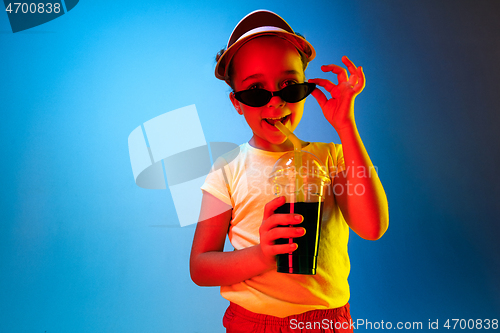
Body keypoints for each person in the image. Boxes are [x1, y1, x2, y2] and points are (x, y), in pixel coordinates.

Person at [190, 10, 389, 333]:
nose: (276, 103)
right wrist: (262, 255)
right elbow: (201, 267)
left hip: (327, 321)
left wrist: (345, 127)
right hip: (252, 322)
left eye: (289, 86)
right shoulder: (227, 170)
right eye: (256, 91)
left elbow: (372, 227)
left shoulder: (332, 157)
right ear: (237, 102)